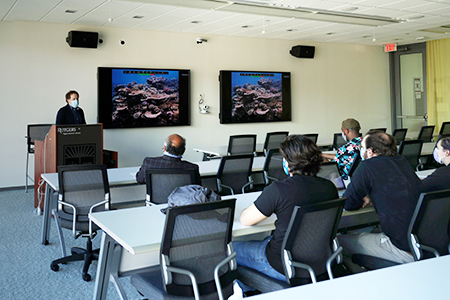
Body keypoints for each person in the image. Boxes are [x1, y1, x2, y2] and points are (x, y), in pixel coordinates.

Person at [233, 135, 338, 282]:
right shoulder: (329, 188)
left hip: (283, 264)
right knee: (267, 239)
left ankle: (246, 290)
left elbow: (246, 220)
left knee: (232, 250)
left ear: (288, 163)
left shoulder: (278, 190)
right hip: (321, 261)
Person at [338, 131, 424, 264]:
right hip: (423, 243)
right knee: (371, 231)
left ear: (370, 152)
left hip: (402, 249)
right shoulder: (402, 161)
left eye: (362, 148)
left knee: (338, 243)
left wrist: (363, 198)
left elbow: (348, 203)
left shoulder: (367, 166)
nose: (361, 151)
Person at [135, 134, 200, 184]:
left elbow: (140, 180)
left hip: (156, 201)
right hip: (181, 201)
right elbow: (197, 188)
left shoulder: (149, 163)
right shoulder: (192, 167)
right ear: (183, 150)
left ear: (164, 148)